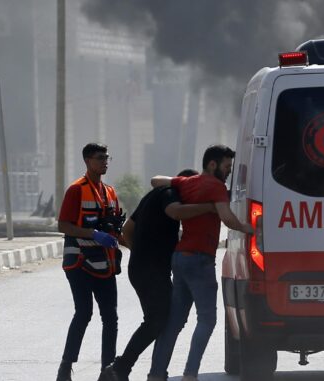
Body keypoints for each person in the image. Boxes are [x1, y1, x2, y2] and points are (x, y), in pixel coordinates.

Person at [147, 144, 254, 381]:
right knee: (207, 319)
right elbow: (227, 218)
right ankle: (190, 374)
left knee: (174, 321)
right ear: (213, 164)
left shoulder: (187, 182)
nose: (229, 171)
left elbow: (155, 181)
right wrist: (248, 228)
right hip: (199, 260)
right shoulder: (215, 186)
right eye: (226, 166)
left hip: (180, 257)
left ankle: (156, 373)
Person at [98, 169, 216, 381]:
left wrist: (140, 253)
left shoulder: (153, 195)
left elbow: (127, 230)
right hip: (151, 271)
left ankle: (146, 371)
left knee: (159, 320)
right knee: (156, 321)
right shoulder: (169, 194)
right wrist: (209, 206)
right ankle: (119, 368)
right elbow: (175, 212)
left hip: (141, 268)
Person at [56, 143, 125, 381]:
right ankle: (66, 366)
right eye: (100, 158)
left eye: (107, 157)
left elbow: (117, 228)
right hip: (79, 262)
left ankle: (108, 370)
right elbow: (63, 225)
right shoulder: (76, 190)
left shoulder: (110, 192)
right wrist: (94, 234)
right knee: (84, 312)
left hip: (105, 264)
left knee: (111, 317)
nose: (105, 162)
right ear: (87, 160)